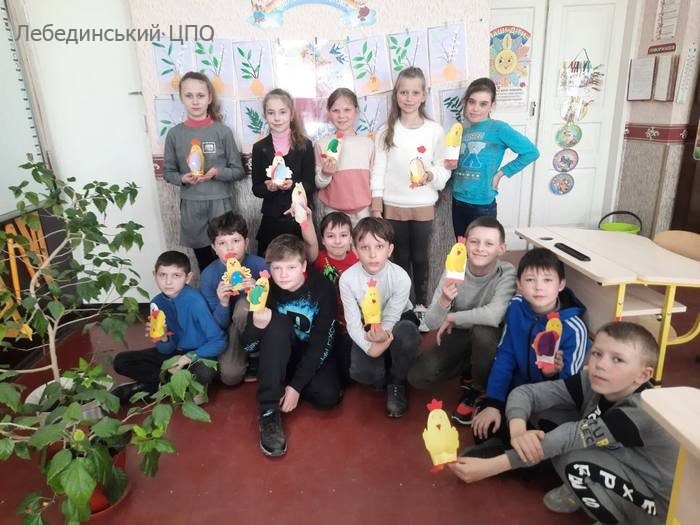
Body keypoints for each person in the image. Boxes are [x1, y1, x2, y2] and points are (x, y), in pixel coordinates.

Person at [448, 322, 679, 525]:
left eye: (617, 359)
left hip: (657, 505)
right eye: (597, 353)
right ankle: (586, 490)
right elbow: (526, 393)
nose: (601, 364)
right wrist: (518, 432)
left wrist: (489, 468)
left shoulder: (642, 409)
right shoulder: (593, 380)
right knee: (546, 416)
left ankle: (621, 520)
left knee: (568, 455)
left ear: (642, 376)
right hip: (622, 464)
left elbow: (566, 438)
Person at [470, 247, 589, 449]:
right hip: (516, 392)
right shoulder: (516, 306)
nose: (538, 287)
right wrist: (494, 403)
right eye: (530, 280)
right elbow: (505, 356)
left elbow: (569, 390)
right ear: (519, 284)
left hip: (549, 402)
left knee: (537, 443)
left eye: (547, 280)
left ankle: (507, 447)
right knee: (483, 431)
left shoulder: (574, 329)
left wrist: (551, 374)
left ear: (561, 284)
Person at [407, 216, 516, 425]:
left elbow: (494, 315)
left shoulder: (506, 272)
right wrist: (444, 301)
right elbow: (431, 323)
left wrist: (453, 316)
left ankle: (479, 388)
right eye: (474, 241)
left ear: (501, 249)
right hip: (458, 333)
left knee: (483, 333)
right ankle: (470, 367)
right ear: (464, 244)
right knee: (417, 377)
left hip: (487, 335)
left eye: (489, 243)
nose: (480, 248)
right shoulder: (454, 268)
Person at [241, 234, 341, 457]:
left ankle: (284, 383)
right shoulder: (263, 290)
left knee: (328, 397)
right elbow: (248, 347)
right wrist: (257, 326)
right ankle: (268, 410)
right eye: (277, 268)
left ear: (303, 266)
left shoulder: (322, 288)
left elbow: (323, 342)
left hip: (308, 352)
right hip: (278, 352)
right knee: (278, 324)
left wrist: (296, 386)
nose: (283, 275)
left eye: (291, 267)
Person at [369, 67, 450, 317]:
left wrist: (431, 175)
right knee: (400, 257)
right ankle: (403, 304)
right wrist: (376, 205)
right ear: (396, 95)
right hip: (393, 207)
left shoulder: (435, 130)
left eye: (415, 92)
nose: (409, 98)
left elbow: (443, 167)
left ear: (424, 96)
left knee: (421, 256)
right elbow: (378, 170)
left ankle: (422, 304)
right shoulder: (386, 131)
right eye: (404, 92)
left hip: (423, 204)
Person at [112, 251, 226, 404]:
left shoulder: (195, 302)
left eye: (176, 276)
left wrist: (189, 357)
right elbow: (165, 351)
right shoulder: (156, 303)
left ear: (188, 278)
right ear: (155, 275)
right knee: (121, 361)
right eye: (162, 275)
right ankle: (170, 384)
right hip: (173, 355)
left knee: (204, 372)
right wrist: (164, 338)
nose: (168, 282)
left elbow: (219, 341)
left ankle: (153, 385)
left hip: (198, 354)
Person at [163, 71, 245, 272]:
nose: (195, 101)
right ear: (181, 98)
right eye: (189, 95)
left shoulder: (222, 132)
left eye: (200, 95)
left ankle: (232, 290)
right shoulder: (174, 134)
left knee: (229, 259)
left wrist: (217, 172)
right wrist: (182, 178)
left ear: (209, 98)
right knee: (204, 263)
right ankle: (209, 290)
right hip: (192, 205)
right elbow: (168, 172)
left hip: (220, 203)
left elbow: (238, 171)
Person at [338, 217, 421, 418]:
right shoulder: (347, 279)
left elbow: (392, 315)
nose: (373, 254)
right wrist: (370, 348)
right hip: (368, 323)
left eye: (379, 246)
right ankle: (383, 369)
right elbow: (353, 323)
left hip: (397, 320)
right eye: (365, 247)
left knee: (407, 334)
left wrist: (384, 337)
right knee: (364, 375)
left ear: (390, 250)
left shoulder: (401, 277)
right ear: (355, 250)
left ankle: (397, 382)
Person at [448, 77, 539, 239]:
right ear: (465, 102)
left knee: (481, 249)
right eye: (471, 102)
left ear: (492, 105)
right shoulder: (461, 129)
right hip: (457, 200)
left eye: (483, 104)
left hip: (482, 204)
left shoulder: (498, 128)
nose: (476, 108)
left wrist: (501, 173)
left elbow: (531, 152)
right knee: (461, 248)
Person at [199, 212, 268, 385]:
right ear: (214, 248)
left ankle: (256, 354)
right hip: (230, 329)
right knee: (230, 378)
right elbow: (218, 325)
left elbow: (277, 304)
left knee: (244, 306)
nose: (230, 248)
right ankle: (243, 355)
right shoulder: (208, 275)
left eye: (236, 241)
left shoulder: (261, 265)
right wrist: (223, 302)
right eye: (222, 243)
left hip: (259, 325)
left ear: (246, 243)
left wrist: (259, 290)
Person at [252, 88, 315, 257]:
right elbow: (256, 188)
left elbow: (310, 184)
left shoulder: (305, 145)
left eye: (282, 112)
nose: (277, 118)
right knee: (269, 264)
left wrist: (293, 186)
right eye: (271, 113)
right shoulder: (259, 148)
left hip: (298, 218)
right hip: (271, 221)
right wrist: (269, 188)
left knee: (299, 263)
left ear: (291, 114)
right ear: (265, 115)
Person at [315, 88, 374, 226]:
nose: (341, 116)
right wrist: (325, 174)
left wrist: (376, 207)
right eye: (335, 110)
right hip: (333, 211)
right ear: (329, 113)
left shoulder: (367, 144)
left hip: (364, 211)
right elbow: (319, 183)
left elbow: (374, 179)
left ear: (356, 111)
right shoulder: (322, 144)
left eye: (347, 110)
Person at [311, 212, 358, 384]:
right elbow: (309, 241)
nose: (337, 241)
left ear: (351, 238)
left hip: (350, 325)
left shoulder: (357, 260)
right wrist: (306, 219)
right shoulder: (318, 259)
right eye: (331, 236)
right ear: (323, 240)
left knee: (349, 377)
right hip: (326, 324)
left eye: (343, 235)